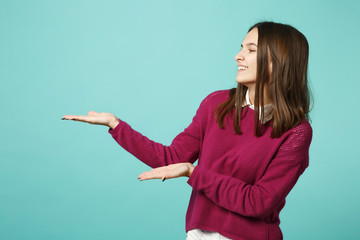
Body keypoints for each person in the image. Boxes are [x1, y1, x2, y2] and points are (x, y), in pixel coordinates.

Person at [62, 21, 312, 240]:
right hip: (197, 234)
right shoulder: (216, 104)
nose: (238, 56)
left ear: (278, 61)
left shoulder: (296, 132)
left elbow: (258, 202)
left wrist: (194, 172)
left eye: (251, 50)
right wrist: (116, 125)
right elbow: (171, 159)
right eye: (241, 48)